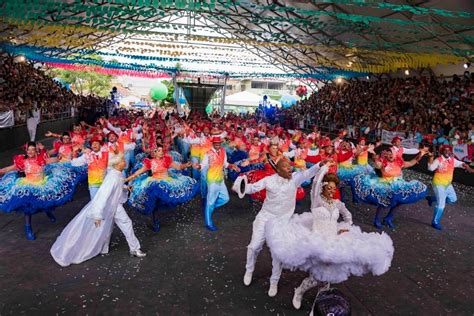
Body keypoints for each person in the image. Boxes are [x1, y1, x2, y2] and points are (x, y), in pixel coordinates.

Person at [264, 170, 394, 310]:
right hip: (317, 241)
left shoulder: (337, 203)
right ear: (323, 187)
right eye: (329, 188)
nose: (332, 191)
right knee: (316, 276)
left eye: (334, 188)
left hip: (333, 241)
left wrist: (345, 227)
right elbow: (315, 183)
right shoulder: (317, 200)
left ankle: (318, 306)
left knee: (328, 277)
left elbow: (347, 215)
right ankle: (300, 291)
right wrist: (323, 168)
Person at [233, 158, 330, 297]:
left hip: (282, 222)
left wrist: (319, 164)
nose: (290, 169)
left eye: (290, 166)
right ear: (278, 170)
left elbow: (308, 173)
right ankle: (249, 270)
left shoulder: (295, 179)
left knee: (278, 254)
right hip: (265, 218)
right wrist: (240, 185)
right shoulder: (269, 180)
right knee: (254, 247)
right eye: (286, 167)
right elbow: (252, 188)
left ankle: (274, 281)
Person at [50, 158, 146, 267]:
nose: (125, 162)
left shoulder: (116, 174)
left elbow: (117, 185)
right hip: (110, 206)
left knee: (109, 226)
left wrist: (126, 187)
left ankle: (108, 248)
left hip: (112, 206)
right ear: (118, 163)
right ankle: (134, 249)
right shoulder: (113, 177)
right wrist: (97, 214)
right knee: (124, 224)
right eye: (123, 160)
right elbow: (103, 195)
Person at [0, 142, 77, 240]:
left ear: (36, 150)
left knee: (45, 200)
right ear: (26, 151)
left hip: (41, 184)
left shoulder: (41, 159)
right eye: (29, 150)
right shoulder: (23, 162)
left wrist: (60, 157)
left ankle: (48, 211)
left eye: (33, 149)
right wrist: (1, 171)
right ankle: (28, 228)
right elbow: (8, 169)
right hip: (28, 186)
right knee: (27, 207)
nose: (31, 151)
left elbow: (53, 160)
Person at [125, 144, 197, 232]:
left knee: (169, 198)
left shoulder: (167, 160)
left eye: (162, 150)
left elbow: (178, 167)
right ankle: (155, 221)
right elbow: (138, 172)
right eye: (159, 151)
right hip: (155, 183)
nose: (162, 152)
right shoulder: (150, 162)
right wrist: (127, 179)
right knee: (154, 201)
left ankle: (160, 213)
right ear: (154, 153)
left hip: (166, 182)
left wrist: (186, 165)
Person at [354, 147, 428, 228]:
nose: (390, 155)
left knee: (400, 201)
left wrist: (420, 154)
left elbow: (411, 162)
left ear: (395, 154)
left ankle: (388, 218)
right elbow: (377, 163)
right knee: (384, 203)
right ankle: (377, 220)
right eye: (388, 153)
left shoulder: (399, 162)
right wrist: (374, 154)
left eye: (391, 153)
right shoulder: (383, 163)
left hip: (398, 184)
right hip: (385, 185)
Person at [198, 134, 240, 231]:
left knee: (225, 198)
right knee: (210, 201)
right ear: (213, 144)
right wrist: (198, 167)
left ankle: (209, 208)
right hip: (212, 180)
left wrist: (232, 166)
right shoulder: (208, 153)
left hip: (220, 179)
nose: (218, 145)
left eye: (219, 143)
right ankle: (208, 222)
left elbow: (225, 164)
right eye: (216, 143)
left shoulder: (223, 151)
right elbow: (203, 165)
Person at [426, 145, 474, 230]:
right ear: (442, 151)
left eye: (449, 150)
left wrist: (467, 166)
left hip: (447, 184)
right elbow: (430, 168)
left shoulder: (452, 160)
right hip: (438, 184)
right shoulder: (438, 160)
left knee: (453, 199)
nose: (447, 152)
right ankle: (435, 222)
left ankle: (432, 198)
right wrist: (430, 158)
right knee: (441, 204)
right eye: (445, 150)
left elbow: (461, 164)